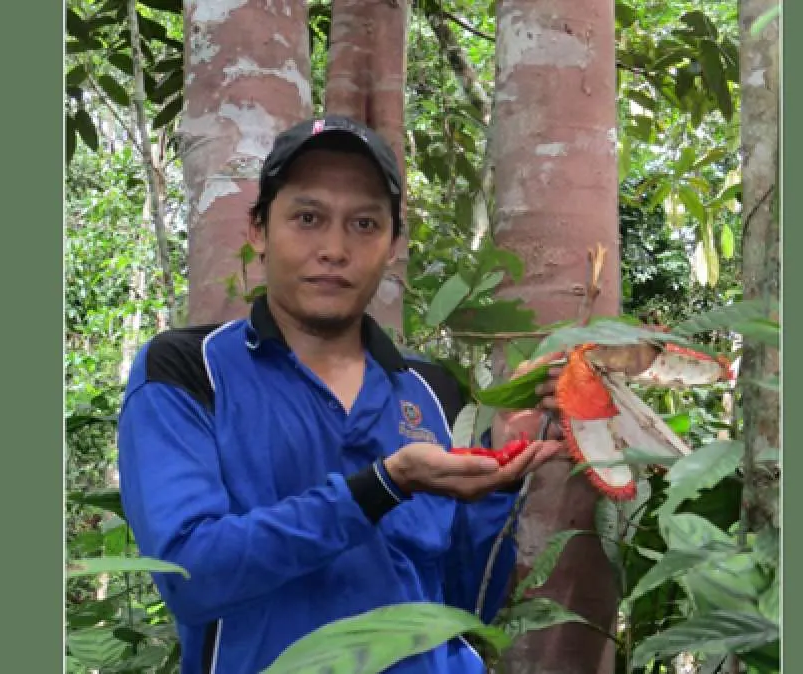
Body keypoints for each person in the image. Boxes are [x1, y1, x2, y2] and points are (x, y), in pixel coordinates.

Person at [116, 115, 565, 674]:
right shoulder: (188, 370)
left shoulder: (435, 391)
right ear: (258, 228)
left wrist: (504, 474)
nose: (334, 248)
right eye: (308, 218)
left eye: (364, 224)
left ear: (393, 243)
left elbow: (465, 605)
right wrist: (381, 486)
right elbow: (191, 575)